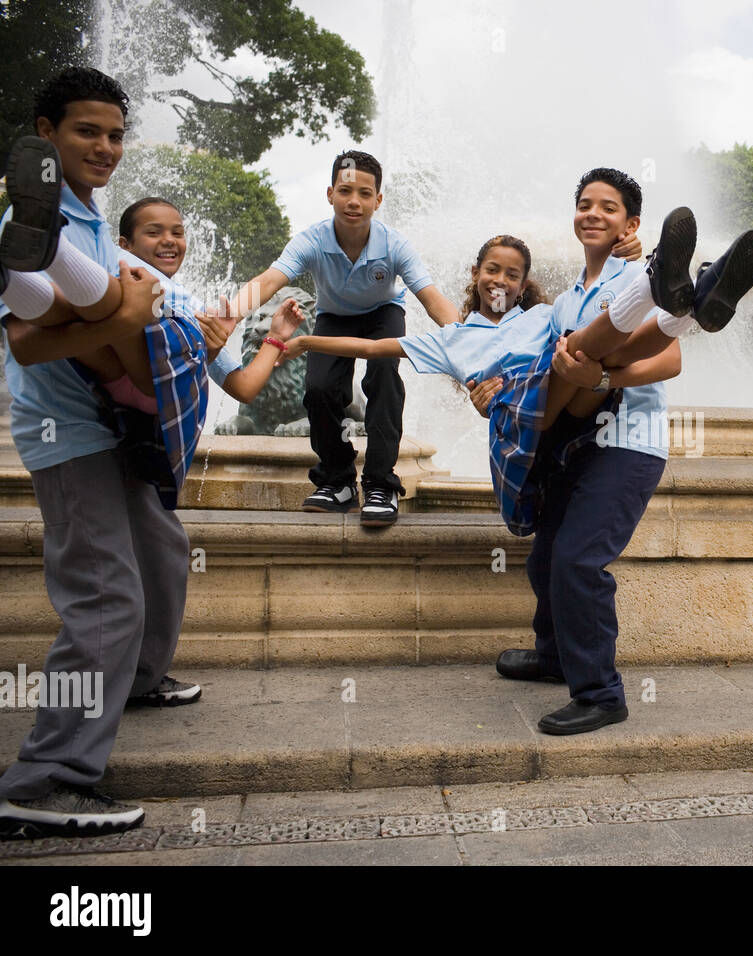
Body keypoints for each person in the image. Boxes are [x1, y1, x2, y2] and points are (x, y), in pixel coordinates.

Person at [279, 205, 749, 540]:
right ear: (475, 273)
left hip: (566, 399)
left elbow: (600, 318)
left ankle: (689, 309)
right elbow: (370, 344)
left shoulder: (543, 316)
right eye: (491, 270)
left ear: (523, 285)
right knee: (584, 350)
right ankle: (657, 285)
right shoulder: (453, 337)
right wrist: (303, 341)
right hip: (520, 421)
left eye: (510, 275)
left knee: (590, 352)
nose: (499, 281)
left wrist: (624, 251)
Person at [494, 168, 753, 736]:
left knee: (577, 560)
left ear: (632, 224)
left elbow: (668, 363)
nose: (593, 214)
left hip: (626, 442)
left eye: (608, 207)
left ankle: (600, 694)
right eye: (585, 204)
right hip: (574, 441)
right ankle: (553, 657)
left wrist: (605, 378)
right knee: (545, 559)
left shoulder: (627, 273)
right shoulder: (567, 298)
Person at [0, 68, 201, 839]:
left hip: (119, 418)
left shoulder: (87, 216)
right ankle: (47, 778)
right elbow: (25, 340)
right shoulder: (30, 214)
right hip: (69, 427)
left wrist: (141, 322)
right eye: (88, 131)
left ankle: (137, 681)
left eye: (116, 134)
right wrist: (123, 325)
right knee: (105, 597)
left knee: (164, 553)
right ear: (45, 134)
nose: (107, 147)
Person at [223, 150, 462, 527]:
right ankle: (338, 483)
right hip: (334, 316)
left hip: (383, 316)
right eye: (346, 191)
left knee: (384, 377)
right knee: (319, 388)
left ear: (378, 200)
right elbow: (269, 281)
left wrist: (463, 339)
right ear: (330, 193)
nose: (355, 201)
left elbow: (433, 300)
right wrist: (228, 314)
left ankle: (381, 485)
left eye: (365, 193)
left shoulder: (395, 245)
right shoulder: (312, 240)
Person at [114, 196, 306, 401]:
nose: (169, 240)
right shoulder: (112, 288)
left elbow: (244, 387)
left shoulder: (191, 312)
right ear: (125, 246)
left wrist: (275, 336)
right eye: (153, 232)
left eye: (178, 233)